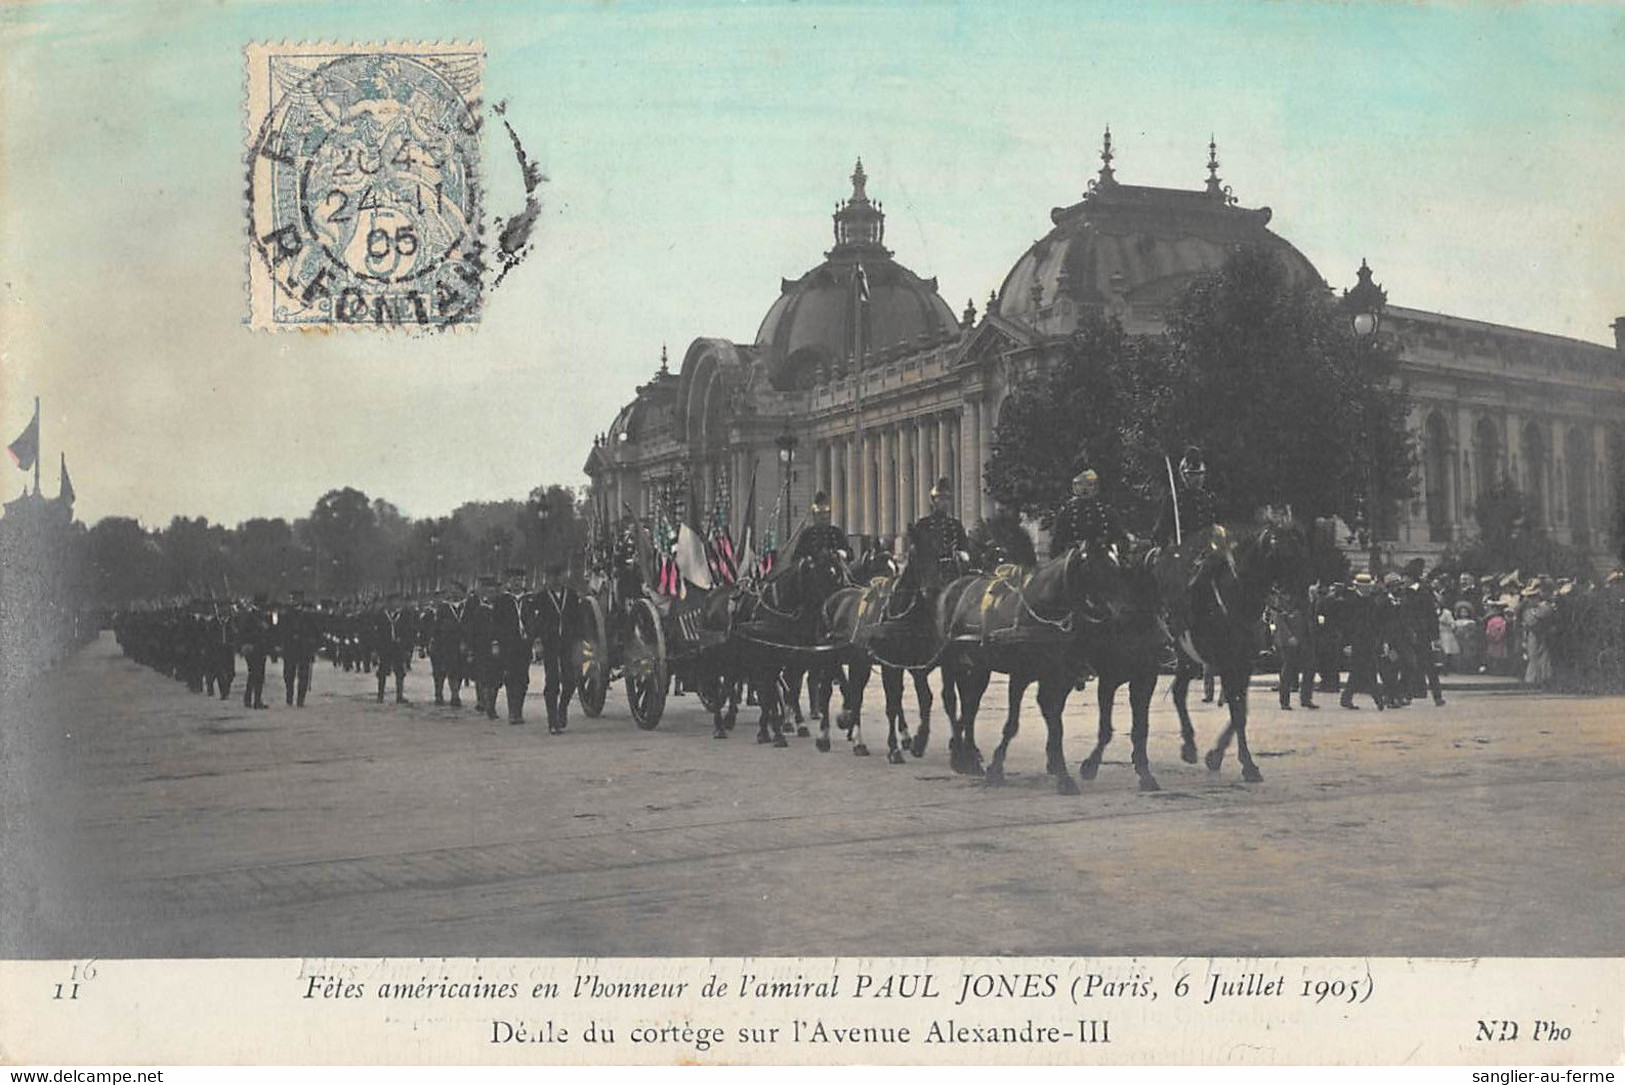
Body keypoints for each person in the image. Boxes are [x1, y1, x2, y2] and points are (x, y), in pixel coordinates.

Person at [532, 564, 581, 734]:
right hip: (550, 642)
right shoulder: (541, 598)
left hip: (568, 642)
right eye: (552, 576)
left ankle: (563, 706)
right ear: (547, 578)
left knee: (571, 679)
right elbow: (536, 622)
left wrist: (578, 640)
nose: (556, 580)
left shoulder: (572, 596)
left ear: (563, 577)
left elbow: (577, 619)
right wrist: (538, 641)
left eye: (558, 576)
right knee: (552, 680)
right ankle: (553, 720)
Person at [906, 477, 971, 591]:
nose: (944, 503)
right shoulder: (923, 525)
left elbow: (964, 545)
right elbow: (916, 550)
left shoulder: (956, 525)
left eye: (947, 499)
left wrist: (962, 554)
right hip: (930, 573)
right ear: (933, 501)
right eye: (940, 499)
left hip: (953, 570)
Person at [490, 567, 537, 724]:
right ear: (509, 582)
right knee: (511, 676)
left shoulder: (530, 599)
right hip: (508, 644)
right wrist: (495, 643)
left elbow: (535, 621)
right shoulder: (502, 600)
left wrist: (535, 640)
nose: (517, 583)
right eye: (514, 580)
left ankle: (519, 710)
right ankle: (512, 711)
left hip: (525, 644)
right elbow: (495, 623)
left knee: (523, 678)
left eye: (520, 580)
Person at [1049, 467, 1119, 559]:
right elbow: (1058, 542)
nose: (1084, 489)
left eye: (1090, 485)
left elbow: (1118, 537)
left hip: (1103, 554)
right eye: (1080, 484)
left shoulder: (1107, 511)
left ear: (1096, 487)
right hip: (1074, 555)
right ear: (1073, 487)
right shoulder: (1066, 512)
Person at [429, 583, 471, 707]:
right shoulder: (444, 607)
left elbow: (470, 624)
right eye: (452, 590)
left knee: (460, 670)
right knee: (443, 669)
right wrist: (434, 641)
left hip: (462, 643)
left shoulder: (467, 607)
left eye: (457, 590)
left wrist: (467, 641)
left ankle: (455, 692)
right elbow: (437, 626)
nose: (454, 593)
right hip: (446, 644)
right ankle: (441, 693)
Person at [278, 589, 319, 707]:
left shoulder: (308, 615)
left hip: (304, 649)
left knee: (303, 675)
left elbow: (315, 631)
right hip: (290, 648)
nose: (296, 601)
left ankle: (301, 699)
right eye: (294, 598)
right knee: (289, 675)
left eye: (298, 598)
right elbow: (281, 631)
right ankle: (289, 696)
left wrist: (312, 644)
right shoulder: (285, 614)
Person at [373, 590, 415, 704]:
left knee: (400, 671)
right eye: (394, 601)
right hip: (385, 646)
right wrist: (376, 649)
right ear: (389, 603)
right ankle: (380, 695)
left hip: (398, 647)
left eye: (398, 601)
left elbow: (408, 632)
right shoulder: (381, 615)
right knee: (382, 671)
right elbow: (377, 633)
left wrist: (407, 647)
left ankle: (399, 695)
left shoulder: (404, 615)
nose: (396, 604)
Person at [236, 592, 272, 710]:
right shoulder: (251, 616)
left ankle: (253, 699)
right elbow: (244, 632)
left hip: (261, 648)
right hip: (252, 648)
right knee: (255, 674)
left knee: (257, 675)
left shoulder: (262, 615)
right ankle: (253, 700)